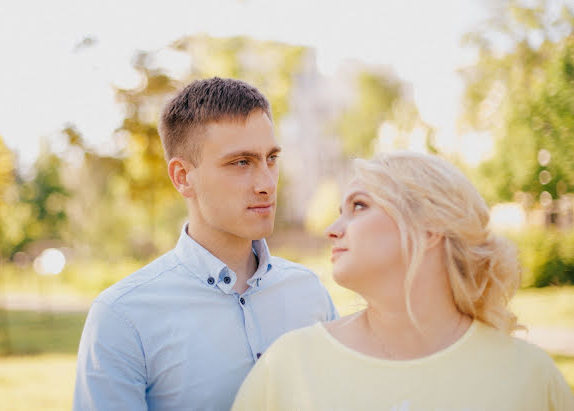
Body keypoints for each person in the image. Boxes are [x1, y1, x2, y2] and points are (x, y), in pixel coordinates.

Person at [233, 151, 574, 411]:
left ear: (429, 229)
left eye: (360, 206)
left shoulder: (529, 377)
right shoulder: (288, 365)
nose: (332, 229)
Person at [73, 77, 338, 410]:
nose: (267, 184)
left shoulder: (310, 293)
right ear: (183, 177)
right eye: (241, 163)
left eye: (271, 158)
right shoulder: (122, 317)